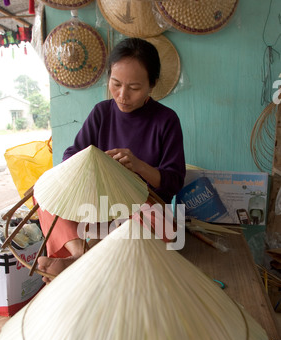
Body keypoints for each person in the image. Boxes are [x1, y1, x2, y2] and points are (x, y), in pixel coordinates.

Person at [37, 37, 186, 282]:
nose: (122, 95)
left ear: (152, 85)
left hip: (140, 208)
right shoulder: (101, 112)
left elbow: (173, 182)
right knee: (45, 199)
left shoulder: (166, 120)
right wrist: (95, 162)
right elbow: (70, 157)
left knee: (162, 225)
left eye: (134, 88)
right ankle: (81, 254)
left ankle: (78, 262)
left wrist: (138, 166)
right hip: (96, 206)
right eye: (115, 84)